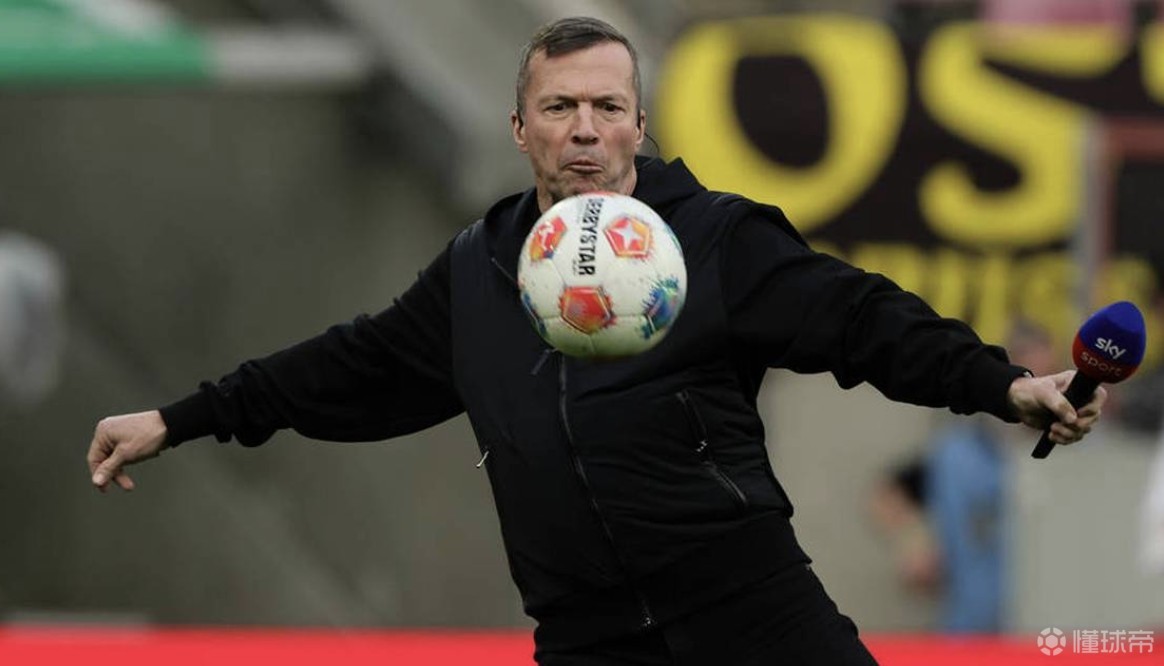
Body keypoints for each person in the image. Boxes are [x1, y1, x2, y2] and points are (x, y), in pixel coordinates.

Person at [87, 17, 1105, 665]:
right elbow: (348, 367)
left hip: (751, 616)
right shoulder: (476, 271)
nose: (584, 128)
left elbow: (862, 318)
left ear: (638, 125)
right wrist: (183, 417)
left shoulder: (717, 237)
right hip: (588, 641)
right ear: (520, 128)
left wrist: (1004, 385)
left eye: (607, 107)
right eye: (559, 107)